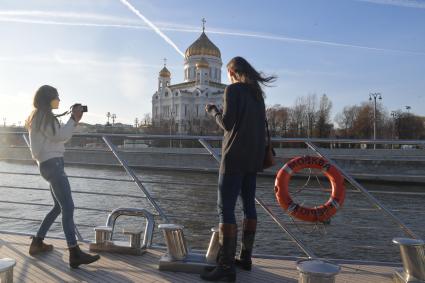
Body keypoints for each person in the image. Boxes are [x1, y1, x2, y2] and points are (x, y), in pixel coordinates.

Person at [201, 57, 276, 282]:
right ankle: (245, 258)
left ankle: (225, 267)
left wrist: (213, 111)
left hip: (234, 158)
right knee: (248, 207)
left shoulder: (233, 90)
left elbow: (227, 124)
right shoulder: (257, 94)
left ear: (232, 72)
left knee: (225, 209)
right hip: (253, 159)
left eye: (228, 73)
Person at [25, 85, 100, 268]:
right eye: (56, 97)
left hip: (47, 165)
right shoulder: (45, 117)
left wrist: (71, 119)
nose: (59, 100)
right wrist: (74, 119)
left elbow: (56, 137)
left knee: (58, 207)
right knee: (68, 207)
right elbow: (61, 136)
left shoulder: (37, 116)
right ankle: (74, 252)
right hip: (54, 165)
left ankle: (37, 242)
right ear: (48, 99)